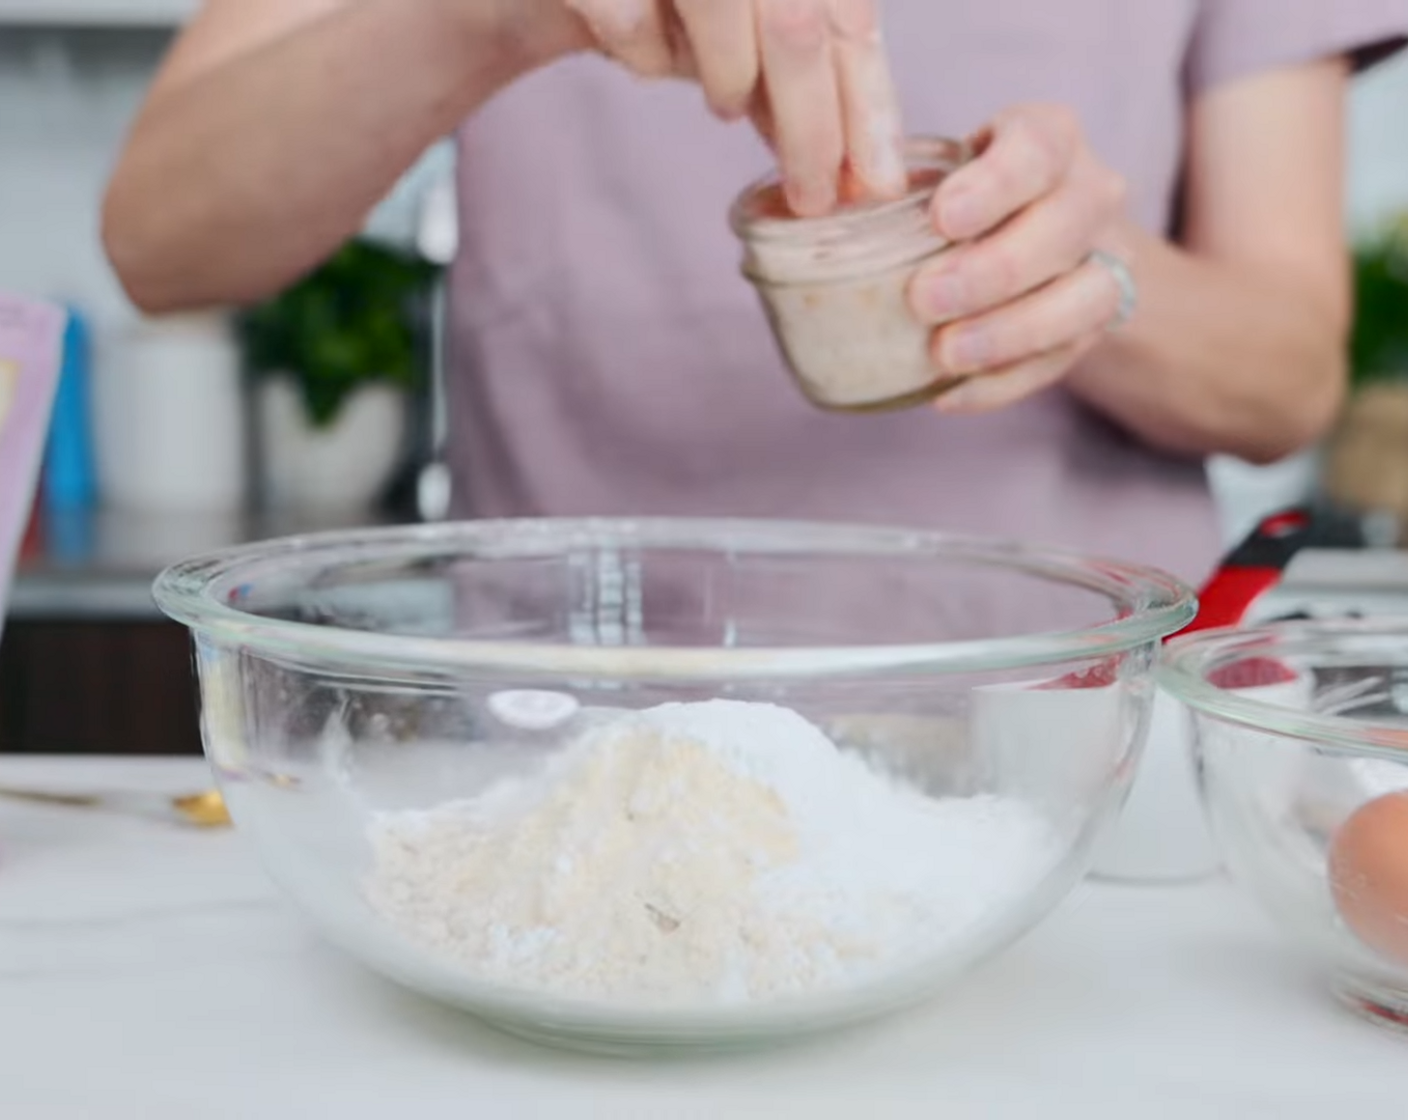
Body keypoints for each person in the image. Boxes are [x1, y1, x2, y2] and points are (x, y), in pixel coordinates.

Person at [102, 1, 1407, 587]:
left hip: (1071, 745)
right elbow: (163, 243)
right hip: (573, 723)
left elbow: (1285, 377)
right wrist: (486, 17)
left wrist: (1068, 265)